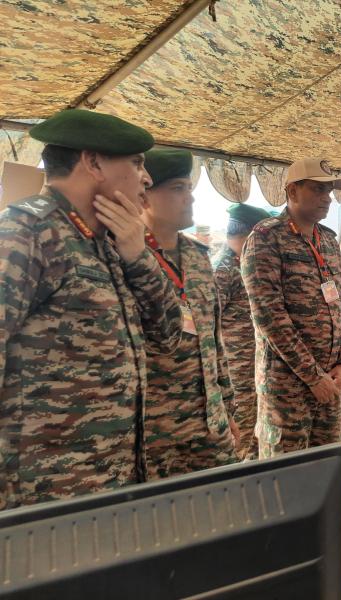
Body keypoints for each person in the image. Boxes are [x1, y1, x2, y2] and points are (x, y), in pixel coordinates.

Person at [0, 110, 183, 508]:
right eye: (136, 163)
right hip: (42, 492)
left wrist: (138, 257)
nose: (146, 179)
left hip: (109, 481)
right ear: (93, 162)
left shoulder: (109, 242)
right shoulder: (27, 232)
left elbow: (169, 335)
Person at [241, 158, 341, 456]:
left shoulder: (328, 240)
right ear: (292, 191)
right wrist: (313, 376)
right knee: (285, 475)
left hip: (331, 384)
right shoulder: (266, 238)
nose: (327, 198)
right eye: (317, 189)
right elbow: (269, 316)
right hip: (287, 391)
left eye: (329, 190)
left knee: (325, 468)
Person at [139, 149, 237, 478]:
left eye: (189, 188)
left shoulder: (197, 256)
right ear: (144, 195)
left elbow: (213, 339)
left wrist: (227, 407)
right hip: (156, 430)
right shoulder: (127, 255)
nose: (190, 198)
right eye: (178, 188)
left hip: (209, 424)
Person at [214, 203, 274, 460]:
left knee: (255, 438)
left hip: (252, 370)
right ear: (251, 234)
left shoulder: (244, 263)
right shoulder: (223, 270)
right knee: (240, 437)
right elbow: (206, 325)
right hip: (236, 375)